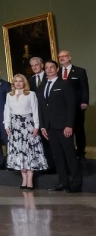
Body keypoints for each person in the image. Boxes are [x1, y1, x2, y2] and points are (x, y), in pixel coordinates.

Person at [39, 60, 82, 193]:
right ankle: (62, 182)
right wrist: (43, 126)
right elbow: (41, 108)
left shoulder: (64, 84)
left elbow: (71, 106)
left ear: (57, 69)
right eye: (46, 68)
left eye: (52, 67)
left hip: (63, 126)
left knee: (69, 155)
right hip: (49, 127)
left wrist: (69, 125)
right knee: (57, 156)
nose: (49, 69)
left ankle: (76, 183)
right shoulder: (42, 86)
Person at [4, 74, 47, 190]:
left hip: (28, 125)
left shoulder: (31, 94)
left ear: (24, 83)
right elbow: (7, 110)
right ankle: (24, 180)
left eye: (20, 81)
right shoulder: (9, 95)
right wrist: (7, 125)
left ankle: (30, 180)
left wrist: (36, 126)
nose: (18, 83)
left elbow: (35, 110)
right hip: (15, 127)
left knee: (29, 152)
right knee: (19, 152)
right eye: (16, 81)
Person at [58, 50, 89, 159]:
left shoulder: (80, 71)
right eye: (60, 56)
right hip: (62, 107)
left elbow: (84, 88)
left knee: (79, 129)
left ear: (69, 57)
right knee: (65, 130)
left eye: (64, 56)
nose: (62, 58)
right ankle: (69, 152)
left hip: (77, 106)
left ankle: (81, 152)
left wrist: (84, 101)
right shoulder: (57, 72)